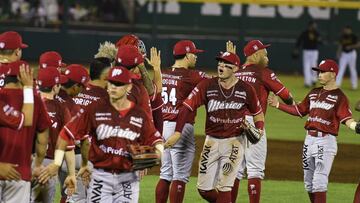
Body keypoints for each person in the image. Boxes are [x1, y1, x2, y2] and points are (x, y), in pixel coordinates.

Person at [42, 66, 164, 203]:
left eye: (119, 84)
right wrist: (65, 163)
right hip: (100, 179)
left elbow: (156, 140)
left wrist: (154, 155)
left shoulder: (139, 116)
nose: (113, 87)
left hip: (127, 180)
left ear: (129, 87)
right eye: (111, 83)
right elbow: (66, 134)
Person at [165, 51, 265, 203]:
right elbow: (186, 107)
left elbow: (258, 113)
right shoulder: (207, 85)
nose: (221, 67)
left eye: (226, 65)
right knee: (203, 189)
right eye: (219, 63)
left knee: (225, 187)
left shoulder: (246, 89)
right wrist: (178, 132)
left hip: (234, 142)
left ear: (235, 69)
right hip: (211, 141)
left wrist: (259, 128)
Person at [268, 59, 360, 203]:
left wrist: (356, 126)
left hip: (325, 141)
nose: (319, 74)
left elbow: (346, 118)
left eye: (323, 72)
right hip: (308, 140)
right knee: (309, 184)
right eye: (318, 71)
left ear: (333, 74)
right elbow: (300, 110)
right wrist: (278, 104)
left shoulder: (340, 97)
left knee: (319, 182)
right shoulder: (313, 93)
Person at [229, 40, 295, 203]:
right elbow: (287, 96)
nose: (267, 57)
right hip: (253, 122)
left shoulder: (235, 73)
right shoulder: (263, 72)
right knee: (255, 170)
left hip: (232, 123)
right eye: (264, 54)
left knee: (235, 170)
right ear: (256, 55)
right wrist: (291, 102)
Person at [155, 40, 210, 203]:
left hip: (161, 127)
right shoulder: (192, 76)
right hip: (180, 128)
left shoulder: (163, 74)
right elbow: (217, 81)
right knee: (180, 176)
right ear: (187, 55)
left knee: (165, 174)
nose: (195, 57)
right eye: (194, 54)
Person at [0, 60, 51, 203]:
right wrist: (38, 164)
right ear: (21, 77)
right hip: (20, 173)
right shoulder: (34, 99)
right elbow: (42, 137)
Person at [31, 67, 71, 203]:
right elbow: (67, 140)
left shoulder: (28, 104)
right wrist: (57, 164)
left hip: (26, 163)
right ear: (55, 87)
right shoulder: (61, 108)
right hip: (48, 166)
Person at [294, 21, 322, 88]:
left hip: (314, 51)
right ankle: (307, 82)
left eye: (315, 26)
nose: (314, 27)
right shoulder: (305, 33)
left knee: (314, 66)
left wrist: (317, 39)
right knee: (306, 66)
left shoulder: (316, 33)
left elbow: (321, 42)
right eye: (313, 25)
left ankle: (314, 80)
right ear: (310, 26)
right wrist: (296, 48)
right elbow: (299, 40)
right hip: (306, 51)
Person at [336, 26, 360, 90]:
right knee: (340, 69)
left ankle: (354, 85)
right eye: (345, 30)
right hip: (344, 54)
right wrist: (338, 53)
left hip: (352, 53)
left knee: (352, 69)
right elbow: (340, 46)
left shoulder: (354, 36)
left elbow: (358, 44)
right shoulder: (342, 36)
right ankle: (337, 85)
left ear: (350, 30)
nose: (346, 31)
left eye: (347, 30)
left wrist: (351, 46)